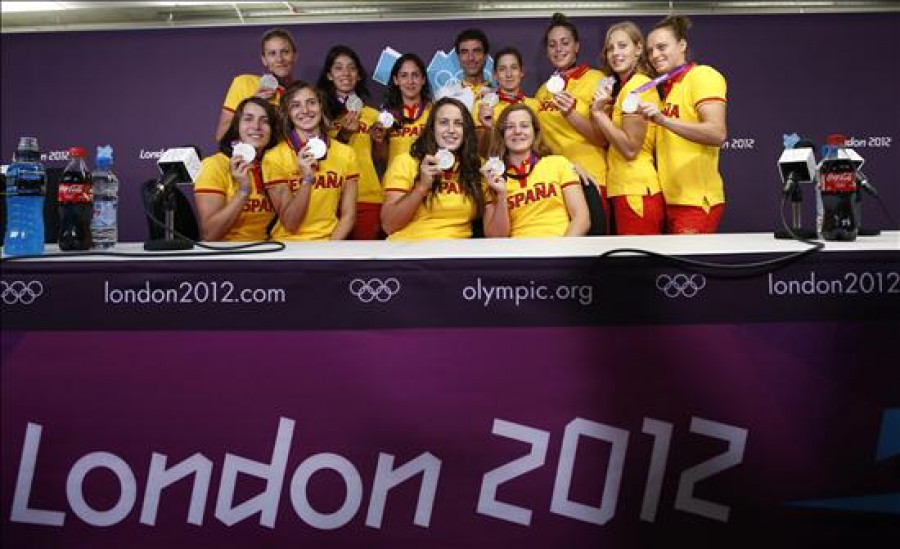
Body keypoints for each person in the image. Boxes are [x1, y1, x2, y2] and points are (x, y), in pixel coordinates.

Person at [637, 15, 728, 234]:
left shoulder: (702, 75)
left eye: (661, 47)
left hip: (696, 202)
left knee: (687, 270)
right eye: (650, 51)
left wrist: (664, 120)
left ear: (682, 45)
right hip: (672, 201)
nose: (655, 55)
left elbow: (717, 132)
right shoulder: (669, 89)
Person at [590, 21, 665, 235]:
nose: (615, 53)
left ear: (638, 49)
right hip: (627, 189)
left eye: (622, 46)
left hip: (636, 190)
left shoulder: (638, 87)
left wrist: (597, 114)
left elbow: (630, 149)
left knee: (638, 265)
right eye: (610, 48)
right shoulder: (624, 88)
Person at [534, 13, 610, 220]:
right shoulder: (543, 91)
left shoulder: (597, 80)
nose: (558, 49)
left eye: (565, 43)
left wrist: (571, 113)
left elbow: (603, 139)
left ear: (576, 46)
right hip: (556, 182)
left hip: (590, 178)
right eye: (552, 45)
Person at [381, 97, 487, 240]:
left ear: (466, 131)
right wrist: (421, 187)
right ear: (432, 128)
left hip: (456, 254)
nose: (451, 130)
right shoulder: (406, 162)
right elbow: (389, 225)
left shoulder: (476, 167)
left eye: (458, 123)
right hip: (410, 251)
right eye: (443, 123)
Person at [264, 81, 358, 241]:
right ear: (287, 112)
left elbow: (349, 215)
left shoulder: (346, 153)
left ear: (320, 106)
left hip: (330, 244)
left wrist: (328, 251)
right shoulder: (273, 158)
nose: (305, 110)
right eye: (296, 105)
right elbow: (290, 223)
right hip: (289, 246)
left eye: (311, 102)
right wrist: (307, 180)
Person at [483, 104, 590, 238]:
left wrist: (563, 252)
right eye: (510, 127)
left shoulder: (558, 164)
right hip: (519, 254)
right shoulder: (494, 178)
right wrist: (502, 195)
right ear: (502, 134)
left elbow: (581, 218)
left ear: (535, 131)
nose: (517, 131)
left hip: (560, 248)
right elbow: (496, 238)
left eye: (524, 125)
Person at [316, 45, 383, 240]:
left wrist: (379, 141)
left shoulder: (372, 115)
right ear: (329, 75)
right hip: (331, 196)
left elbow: (379, 159)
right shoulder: (320, 115)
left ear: (359, 75)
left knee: (365, 264)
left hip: (367, 195)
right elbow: (319, 155)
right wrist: (343, 135)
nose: (345, 73)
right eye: (338, 68)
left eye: (352, 68)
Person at [195, 97, 282, 241]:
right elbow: (210, 234)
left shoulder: (270, 167)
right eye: (248, 119)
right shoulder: (214, 165)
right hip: (227, 256)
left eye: (265, 121)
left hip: (264, 253)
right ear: (237, 126)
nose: (256, 126)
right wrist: (243, 191)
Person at [214, 28, 298, 141]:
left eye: (285, 52)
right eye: (272, 53)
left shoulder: (302, 94)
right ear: (264, 59)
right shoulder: (244, 83)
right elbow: (221, 136)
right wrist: (253, 103)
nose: (279, 59)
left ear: (295, 55)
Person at [476, 46, 540, 155]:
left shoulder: (535, 105)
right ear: (495, 75)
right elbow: (479, 150)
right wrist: (487, 127)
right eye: (502, 69)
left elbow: (539, 144)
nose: (509, 74)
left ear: (521, 72)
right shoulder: (482, 106)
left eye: (514, 68)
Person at [381, 53, 433, 168]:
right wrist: (380, 140)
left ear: (423, 79)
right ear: (396, 80)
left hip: (427, 180)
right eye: (404, 75)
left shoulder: (435, 113)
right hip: (394, 181)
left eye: (415, 75)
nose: (410, 81)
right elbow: (382, 159)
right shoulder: (386, 117)